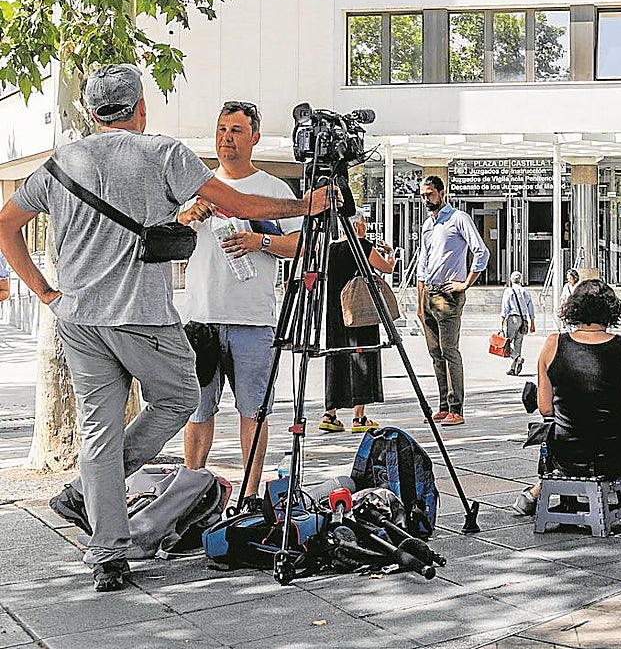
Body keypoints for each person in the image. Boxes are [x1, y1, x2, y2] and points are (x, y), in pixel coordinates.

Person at [0, 65, 333, 592]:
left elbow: (3, 224)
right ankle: (92, 488)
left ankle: (107, 553)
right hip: (140, 315)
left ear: (90, 112)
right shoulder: (161, 151)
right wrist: (305, 206)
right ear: (140, 109)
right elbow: (239, 205)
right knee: (180, 397)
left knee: (100, 430)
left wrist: (44, 292)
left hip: (78, 320)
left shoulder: (62, 161)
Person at [179, 101, 303, 501]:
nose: (226, 137)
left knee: (253, 412)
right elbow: (169, 242)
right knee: (198, 412)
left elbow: (304, 246)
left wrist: (259, 240)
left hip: (253, 321)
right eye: (221, 129)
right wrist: (186, 218)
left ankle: (249, 496)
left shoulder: (273, 190)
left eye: (235, 130)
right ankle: (192, 490)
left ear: (254, 137)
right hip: (201, 319)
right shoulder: (197, 188)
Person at [512, 279, 621, 515]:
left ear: (573, 308)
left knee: (562, 435)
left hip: (567, 454)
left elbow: (545, 409)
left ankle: (533, 495)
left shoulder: (553, 344)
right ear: (611, 310)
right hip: (617, 454)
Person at [416, 175, 489, 426]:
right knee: (435, 353)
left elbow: (481, 251)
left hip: (449, 295)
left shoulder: (458, 219)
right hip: (429, 294)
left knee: (449, 351)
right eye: (423, 195)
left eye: (430, 194)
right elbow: (422, 264)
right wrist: (419, 300)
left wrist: (466, 283)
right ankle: (443, 406)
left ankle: (456, 407)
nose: (426, 199)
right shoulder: (428, 225)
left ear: (441, 193)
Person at [319, 211, 396, 433]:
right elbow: (386, 268)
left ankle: (330, 413)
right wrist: (390, 255)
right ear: (356, 227)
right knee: (361, 356)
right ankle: (359, 417)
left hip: (336, 313)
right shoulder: (361, 245)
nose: (365, 228)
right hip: (360, 313)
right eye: (363, 224)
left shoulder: (331, 250)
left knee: (337, 358)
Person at [499, 271, 536, 376]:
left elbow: (505, 307)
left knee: (506, 342)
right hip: (524, 319)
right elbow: (531, 308)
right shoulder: (525, 292)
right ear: (521, 280)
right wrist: (532, 322)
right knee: (518, 342)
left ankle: (516, 357)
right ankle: (514, 368)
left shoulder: (508, 291)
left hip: (513, 318)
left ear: (511, 280)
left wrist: (501, 323)